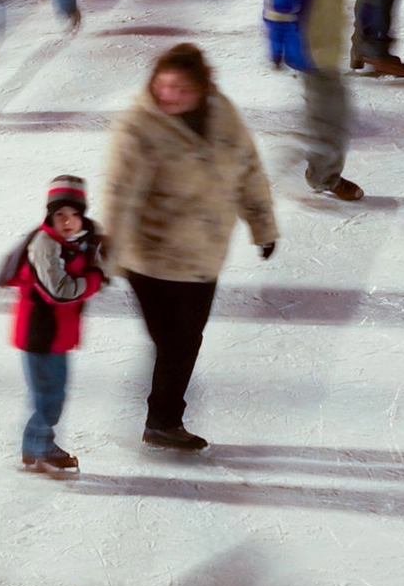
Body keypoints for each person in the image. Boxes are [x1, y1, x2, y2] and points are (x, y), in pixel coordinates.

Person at [104, 44, 278, 451]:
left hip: (203, 252)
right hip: (149, 256)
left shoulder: (222, 113)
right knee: (174, 341)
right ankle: (163, 420)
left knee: (184, 340)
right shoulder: (138, 127)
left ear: (201, 87)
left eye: (181, 88)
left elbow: (248, 168)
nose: (170, 96)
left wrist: (262, 225)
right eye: (163, 87)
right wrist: (108, 254)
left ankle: (163, 420)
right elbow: (120, 193)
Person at [263, 0, 365, 202]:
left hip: (327, 45)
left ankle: (317, 168)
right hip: (309, 48)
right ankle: (322, 176)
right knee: (330, 119)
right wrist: (278, 47)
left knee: (331, 116)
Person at [2, 176, 106, 477]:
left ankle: (36, 448)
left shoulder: (78, 242)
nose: (67, 221)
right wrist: (94, 279)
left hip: (57, 335)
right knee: (48, 398)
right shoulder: (45, 245)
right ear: (50, 216)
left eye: (73, 214)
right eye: (60, 214)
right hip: (40, 334)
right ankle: (38, 448)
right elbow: (60, 290)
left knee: (50, 396)